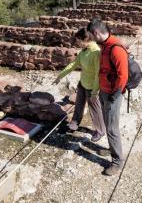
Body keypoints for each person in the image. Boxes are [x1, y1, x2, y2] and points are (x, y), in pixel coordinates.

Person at [87, 18, 128, 176]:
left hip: (112, 94)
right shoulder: (104, 46)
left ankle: (117, 162)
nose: (91, 39)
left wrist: (114, 95)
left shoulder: (116, 49)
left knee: (111, 129)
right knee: (107, 123)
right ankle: (112, 149)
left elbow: (123, 76)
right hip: (105, 91)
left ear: (96, 33)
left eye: (92, 36)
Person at [53, 28, 105, 142]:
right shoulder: (83, 52)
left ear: (86, 39)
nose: (77, 43)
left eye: (78, 41)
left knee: (95, 110)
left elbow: (98, 74)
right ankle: (74, 123)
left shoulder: (96, 52)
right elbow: (73, 64)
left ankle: (100, 131)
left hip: (92, 86)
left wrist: (95, 91)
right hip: (82, 83)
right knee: (79, 105)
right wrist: (60, 76)